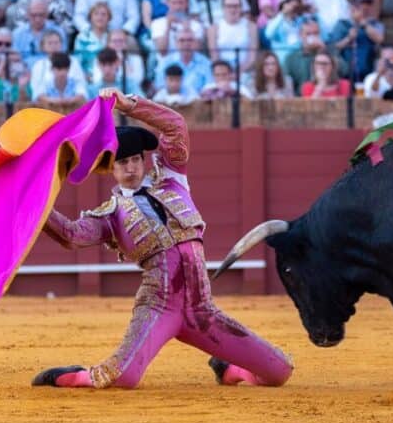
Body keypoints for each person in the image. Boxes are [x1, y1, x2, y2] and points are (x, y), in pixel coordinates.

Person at [34, 95, 294, 389]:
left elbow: (175, 126)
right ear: (112, 169)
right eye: (122, 163)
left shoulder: (172, 179)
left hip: (202, 310)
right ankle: (71, 375)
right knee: (122, 378)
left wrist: (126, 103)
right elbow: (70, 234)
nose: (130, 168)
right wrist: (34, 202)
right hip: (158, 307)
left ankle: (231, 370)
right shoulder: (111, 214)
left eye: (135, 160)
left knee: (279, 371)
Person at [327, 0, 383, 82]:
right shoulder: (342, 24)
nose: (365, 7)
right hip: (345, 72)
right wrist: (348, 39)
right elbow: (333, 46)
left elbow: (380, 39)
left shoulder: (375, 24)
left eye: (368, 3)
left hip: (368, 71)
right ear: (352, 6)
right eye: (361, 3)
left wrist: (363, 23)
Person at [207, 0, 257, 74]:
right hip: (221, 73)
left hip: (246, 72)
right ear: (223, 8)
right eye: (229, 6)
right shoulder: (213, 29)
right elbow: (214, 57)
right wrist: (226, 73)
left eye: (236, 6)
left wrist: (239, 72)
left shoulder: (251, 27)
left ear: (241, 8)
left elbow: (252, 57)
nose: (233, 9)